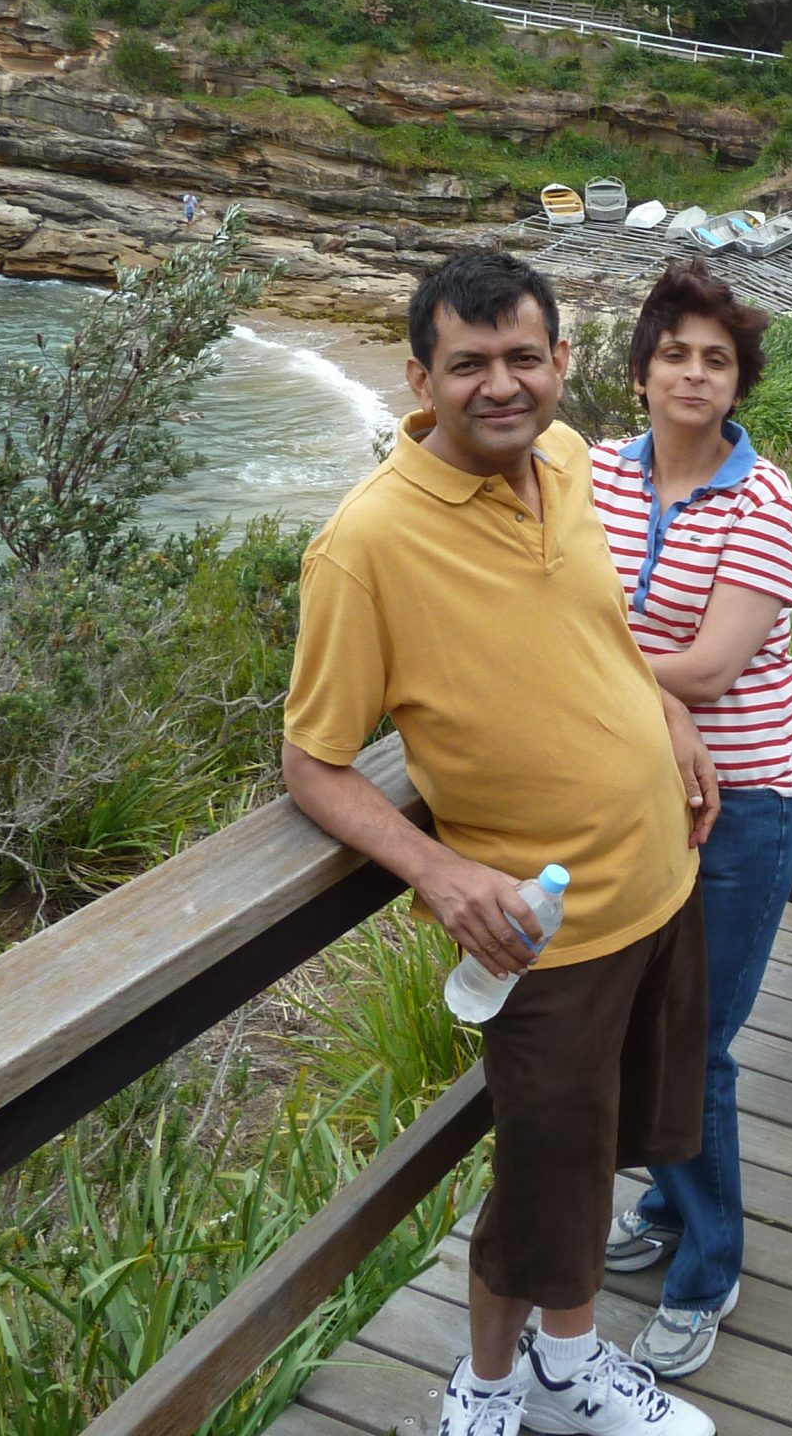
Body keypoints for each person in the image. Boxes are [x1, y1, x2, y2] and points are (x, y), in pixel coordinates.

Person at [279, 250, 721, 1436]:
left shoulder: (568, 462)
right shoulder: (366, 546)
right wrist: (436, 868)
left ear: (563, 364)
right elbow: (311, 763)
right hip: (545, 930)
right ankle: (488, 1387)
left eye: (524, 357)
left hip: (658, 885)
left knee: (597, 1163)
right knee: (541, 1183)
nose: (501, 385)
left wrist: (664, 709)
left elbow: (593, 629)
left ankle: (563, 1370)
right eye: (467, 364)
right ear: (419, 378)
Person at [588, 261, 792, 1381]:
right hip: (632, 805)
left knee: (698, 1046)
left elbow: (715, 667)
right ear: (639, 372)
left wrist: (596, 665)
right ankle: (675, 1206)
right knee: (637, 1027)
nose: (692, 372)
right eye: (673, 352)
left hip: (745, 808)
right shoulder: (591, 477)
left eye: (715, 359)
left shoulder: (761, 501)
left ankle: (708, 1264)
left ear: (737, 384)